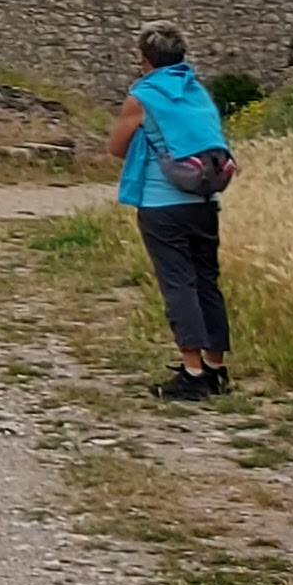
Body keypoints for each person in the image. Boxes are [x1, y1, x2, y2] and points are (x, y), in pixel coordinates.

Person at [113, 22, 234, 401]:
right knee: (206, 282)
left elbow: (116, 147)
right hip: (204, 201)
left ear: (145, 59)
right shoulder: (197, 92)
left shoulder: (143, 96)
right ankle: (215, 369)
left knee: (178, 284)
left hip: (161, 203)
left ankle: (192, 374)